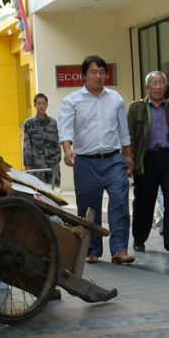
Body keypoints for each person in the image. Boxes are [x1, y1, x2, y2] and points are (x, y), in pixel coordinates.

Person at [58, 55, 135, 265]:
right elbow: (64, 128)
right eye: (94, 72)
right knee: (88, 208)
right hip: (86, 162)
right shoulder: (72, 101)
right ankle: (92, 250)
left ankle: (119, 249)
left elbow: (123, 130)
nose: (98, 76)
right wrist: (67, 150)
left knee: (119, 200)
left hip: (113, 160)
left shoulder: (116, 99)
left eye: (102, 72)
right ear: (83, 75)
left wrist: (128, 155)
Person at [127, 70, 169, 256]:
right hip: (146, 159)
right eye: (153, 83)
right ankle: (139, 238)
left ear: (165, 87)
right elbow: (129, 136)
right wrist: (130, 158)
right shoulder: (136, 108)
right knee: (144, 201)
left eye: (160, 83)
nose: (157, 87)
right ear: (147, 87)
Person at [22, 93, 61, 188]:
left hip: (52, 165)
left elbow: (57, 142)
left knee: (54, 190)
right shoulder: (29, 123)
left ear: (47, 104)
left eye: (43, 103)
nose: (41, 106)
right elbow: (27, 145)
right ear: (34, 105)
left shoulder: (52, 123)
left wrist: (57, 159)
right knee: (39, 192)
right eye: (39, 103)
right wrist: (27, 164)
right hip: (37, 166)